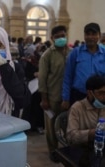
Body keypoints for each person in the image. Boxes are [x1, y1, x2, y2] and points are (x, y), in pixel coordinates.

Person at [38, 25, 72, 162]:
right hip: (52, 97)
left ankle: (66, 149)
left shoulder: (71, 52)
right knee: (51, 127)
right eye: (57, 37)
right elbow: (42, 78)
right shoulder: (47, 55)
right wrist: (44, 99)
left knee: (68, 124)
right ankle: (53, 150)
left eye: (63, 36)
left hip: (68, 97)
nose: (61, 39)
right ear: (52, 38)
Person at [62, 23, 105, 111]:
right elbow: (68, 76)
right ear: (84, 35)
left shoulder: (104, 53)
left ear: (99, 35)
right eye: (87, 34)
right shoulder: (76, 53)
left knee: (99, 122)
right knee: (77, 122)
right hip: (78, 95)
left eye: (94, 34)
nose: (90, 37)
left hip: (99, 97)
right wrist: (65, 98)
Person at [67, 75, 105, 167]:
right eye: (100, 93)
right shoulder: (77, 108)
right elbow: (71, 137)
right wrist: (93, 133)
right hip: (83, 150)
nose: (104, 97)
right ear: (89, 93)